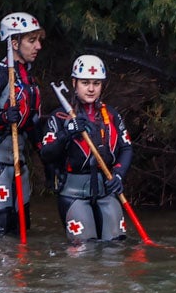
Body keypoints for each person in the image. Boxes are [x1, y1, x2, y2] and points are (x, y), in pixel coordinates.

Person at [39, 54, 134, 246]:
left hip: (106, 191)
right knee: (84, 248)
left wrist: (119, 175)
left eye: (96, 83)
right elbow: (46, 153)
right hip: (73, 193)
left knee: (115, 246)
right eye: (85, 82)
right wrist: (68, 133)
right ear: (74, 83)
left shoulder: (112, 115)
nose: (91, 89)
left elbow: (126, 148)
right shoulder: (59, 117)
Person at [0, 11, 44, 237]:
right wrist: (3, 117)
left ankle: (19, 268)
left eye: (39, 40)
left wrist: (48, 156)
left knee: (21, 225)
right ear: (14, 43)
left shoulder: (29, 81)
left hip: (18, 159)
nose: (38, 46)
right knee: (0, 226)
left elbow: (32, 126)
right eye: (31, 40)